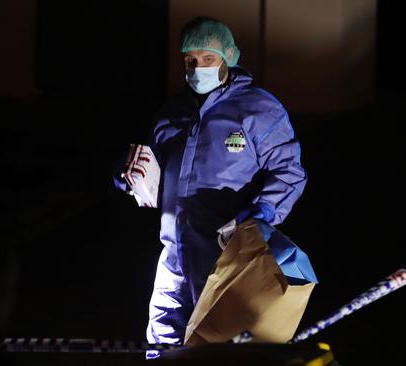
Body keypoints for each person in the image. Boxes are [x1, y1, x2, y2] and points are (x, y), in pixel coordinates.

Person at [114, 16, 307, 352]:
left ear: (229, 56)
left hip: (227, 256)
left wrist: (259, 213)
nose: (197, 68)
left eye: (208, 58)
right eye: (190, 60)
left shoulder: (259, 110)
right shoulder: (172, 114)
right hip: (174, 251)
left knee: (219, 347)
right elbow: (153, 169)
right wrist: (128, 176)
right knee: (162, 342)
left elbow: (289, 172)